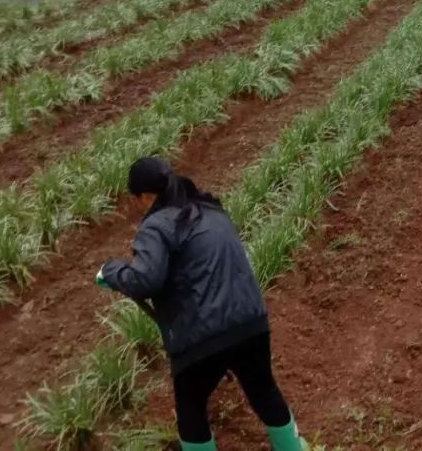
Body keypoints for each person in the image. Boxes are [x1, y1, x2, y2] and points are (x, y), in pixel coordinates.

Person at [96, 157, 303, 451]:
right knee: (263, 390)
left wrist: (111, 271)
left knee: (191, 409)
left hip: (201, 335)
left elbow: (146, 280)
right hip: (250, 322)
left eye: (134, 199)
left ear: (145, 197)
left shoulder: (156, 225)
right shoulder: (211, 209)